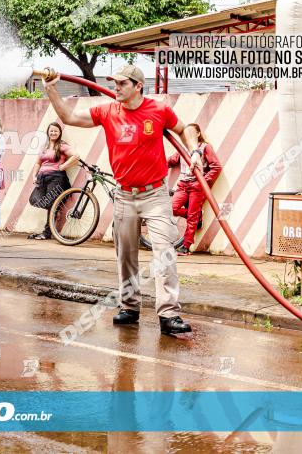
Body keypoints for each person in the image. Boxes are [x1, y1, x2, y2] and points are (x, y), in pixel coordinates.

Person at [42, 64, 200, 336]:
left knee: (164, 253)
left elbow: (184, 128)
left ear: (138, 86)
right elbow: (68, 116)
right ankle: (130, 307)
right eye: (114, 83)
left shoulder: (158, 109)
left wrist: (194, 151)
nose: (116, 87)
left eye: (122, 83)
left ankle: (169, 315)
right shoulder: (107, 111)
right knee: (126, 255)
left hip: (155, 193)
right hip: (125, 193)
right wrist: (51, 89)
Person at [167, 123, 221, 256]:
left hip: (197, 187)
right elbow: (172, 160)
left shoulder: (205, 147)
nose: (188, 136)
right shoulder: (183, 148)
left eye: (191, 133)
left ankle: (186, 246)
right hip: (183, 185)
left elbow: (216, 167)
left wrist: (203, 182)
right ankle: (197, 217)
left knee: (192, 216)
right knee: (172, 208)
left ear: (198, 133)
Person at [28, 121, 80, 240]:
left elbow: (76, 156)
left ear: (59, 133)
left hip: (56, 178)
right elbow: (37, 163)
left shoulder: (62, 145)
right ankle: (56, 210)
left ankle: (47, 232)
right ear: (48, 132)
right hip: (42, 178)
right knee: (34, 200)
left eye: (56, 131)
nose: (53, 132)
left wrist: (63, 166)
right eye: (51, 130)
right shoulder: (44, 147)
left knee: (52, 203)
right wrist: (34, 176)